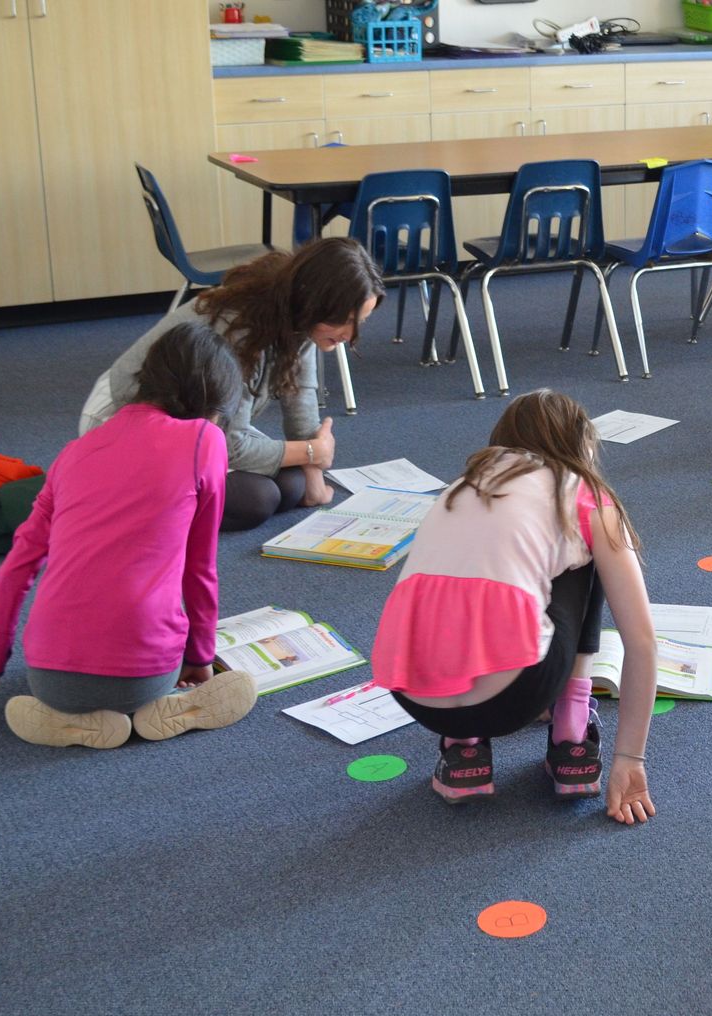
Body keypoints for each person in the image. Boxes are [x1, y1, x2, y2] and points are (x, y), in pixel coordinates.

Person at [0, 322, 259, 749]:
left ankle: (68, 719)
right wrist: (200, 657)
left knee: (70, 663)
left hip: (49, 676)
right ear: (212, 402)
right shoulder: (205, 440)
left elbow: (17, 568)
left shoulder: (72, 454)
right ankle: (156, 707)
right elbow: (200, 568)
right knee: (160, 672)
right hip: (146, 671)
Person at [372, 390, 659, 825]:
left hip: (412, 693)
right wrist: (630, 759)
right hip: (517, 692)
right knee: (590, 551)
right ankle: (571, 732)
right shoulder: (582, 491)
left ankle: (462, 747)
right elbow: (642, 642)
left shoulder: (462, 486)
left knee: (470, 581)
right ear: (580, 446)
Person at [79, 237, 386, 532]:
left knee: (293, 485)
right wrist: (311, 452)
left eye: (362, 320)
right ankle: (137, 499)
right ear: (315, 302)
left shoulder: (297, 314)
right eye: (345, 319)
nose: (350, 335)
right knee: (256, 500)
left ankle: (168, 494)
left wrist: (313, 479)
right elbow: (230, 444)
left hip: (199, 423)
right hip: (127, 423)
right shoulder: (241, 328)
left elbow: (300, 398)